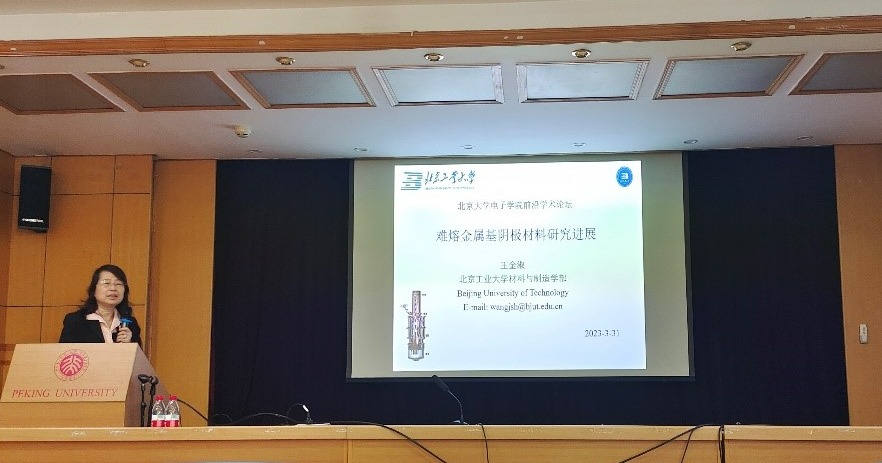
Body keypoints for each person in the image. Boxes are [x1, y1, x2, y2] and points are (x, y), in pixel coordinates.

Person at [59, 264, 142, 345]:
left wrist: (130, 344)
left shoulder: (130, 324)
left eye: (118, 284)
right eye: (106, 283)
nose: (113, 288)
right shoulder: (75, 321)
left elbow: (140, 354)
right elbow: (65, 353)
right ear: (94, 290)